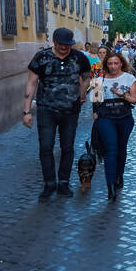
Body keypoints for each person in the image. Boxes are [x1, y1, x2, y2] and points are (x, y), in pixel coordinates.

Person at [24, 27, 91, 200]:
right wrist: (26, 111)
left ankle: (63, 183)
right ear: (54, 42)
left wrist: (82, 94)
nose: (64, 47)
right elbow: (31, 83)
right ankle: (49, 184)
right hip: (46, 109)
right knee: (45, 147)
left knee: (67, 148)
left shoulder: (79, 57)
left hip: (70, 111)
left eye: (68, 44)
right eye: (61, 44)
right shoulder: (42, 57)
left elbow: (86, 76)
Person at [91, 52, 136, 202]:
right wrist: (95, 113)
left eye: (116, 63)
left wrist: (121, 94)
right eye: (110, 64)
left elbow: (134, 100)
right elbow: (96, 101)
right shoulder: (98, 80)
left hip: (124, 117)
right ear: (106, 65)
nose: (113, 66)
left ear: (121, 63)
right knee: (111, 150)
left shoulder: (129, 78)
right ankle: (110, 186)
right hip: (106, 117)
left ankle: (119, 175)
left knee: (121, 149)